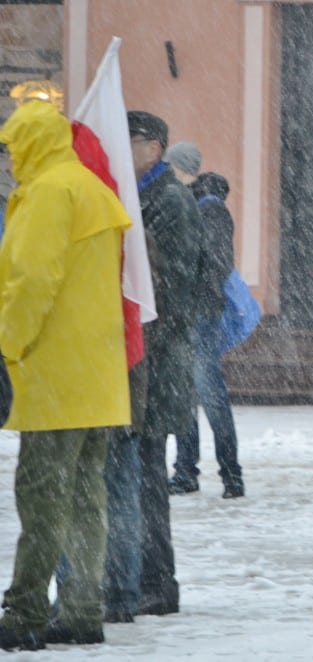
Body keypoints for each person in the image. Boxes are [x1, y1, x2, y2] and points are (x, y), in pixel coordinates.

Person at [0, 100, 132, 650]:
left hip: (54, 372)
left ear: (32, 144)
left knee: (42, 499)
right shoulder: (90, 187)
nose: (10, 160)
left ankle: (24, 612)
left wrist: (5, 343)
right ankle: (82, 609)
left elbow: (32, 280)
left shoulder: (49, 192)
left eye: (13, 147)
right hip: (95, 374)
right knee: (84, 500)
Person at [107, 110, 205, 618]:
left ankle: (157, 582)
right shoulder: (139, 195)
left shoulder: (169, 200)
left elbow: (174, 290)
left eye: (132, 140)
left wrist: (139, 345)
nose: (123, 148)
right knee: (137, 475)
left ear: (155, 147)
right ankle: (141, 577)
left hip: (156, 364)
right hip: (140, 359)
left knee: (146, 479)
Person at [165, 143, 245, 498]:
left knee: (211, 396)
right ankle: (185, 472)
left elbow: (217, 263)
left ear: (181, 167)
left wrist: (187, 282)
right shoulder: (182, 202)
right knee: (183, 395)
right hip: (182, 316)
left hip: (201, 315)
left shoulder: (210, 208)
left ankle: (231, 474)